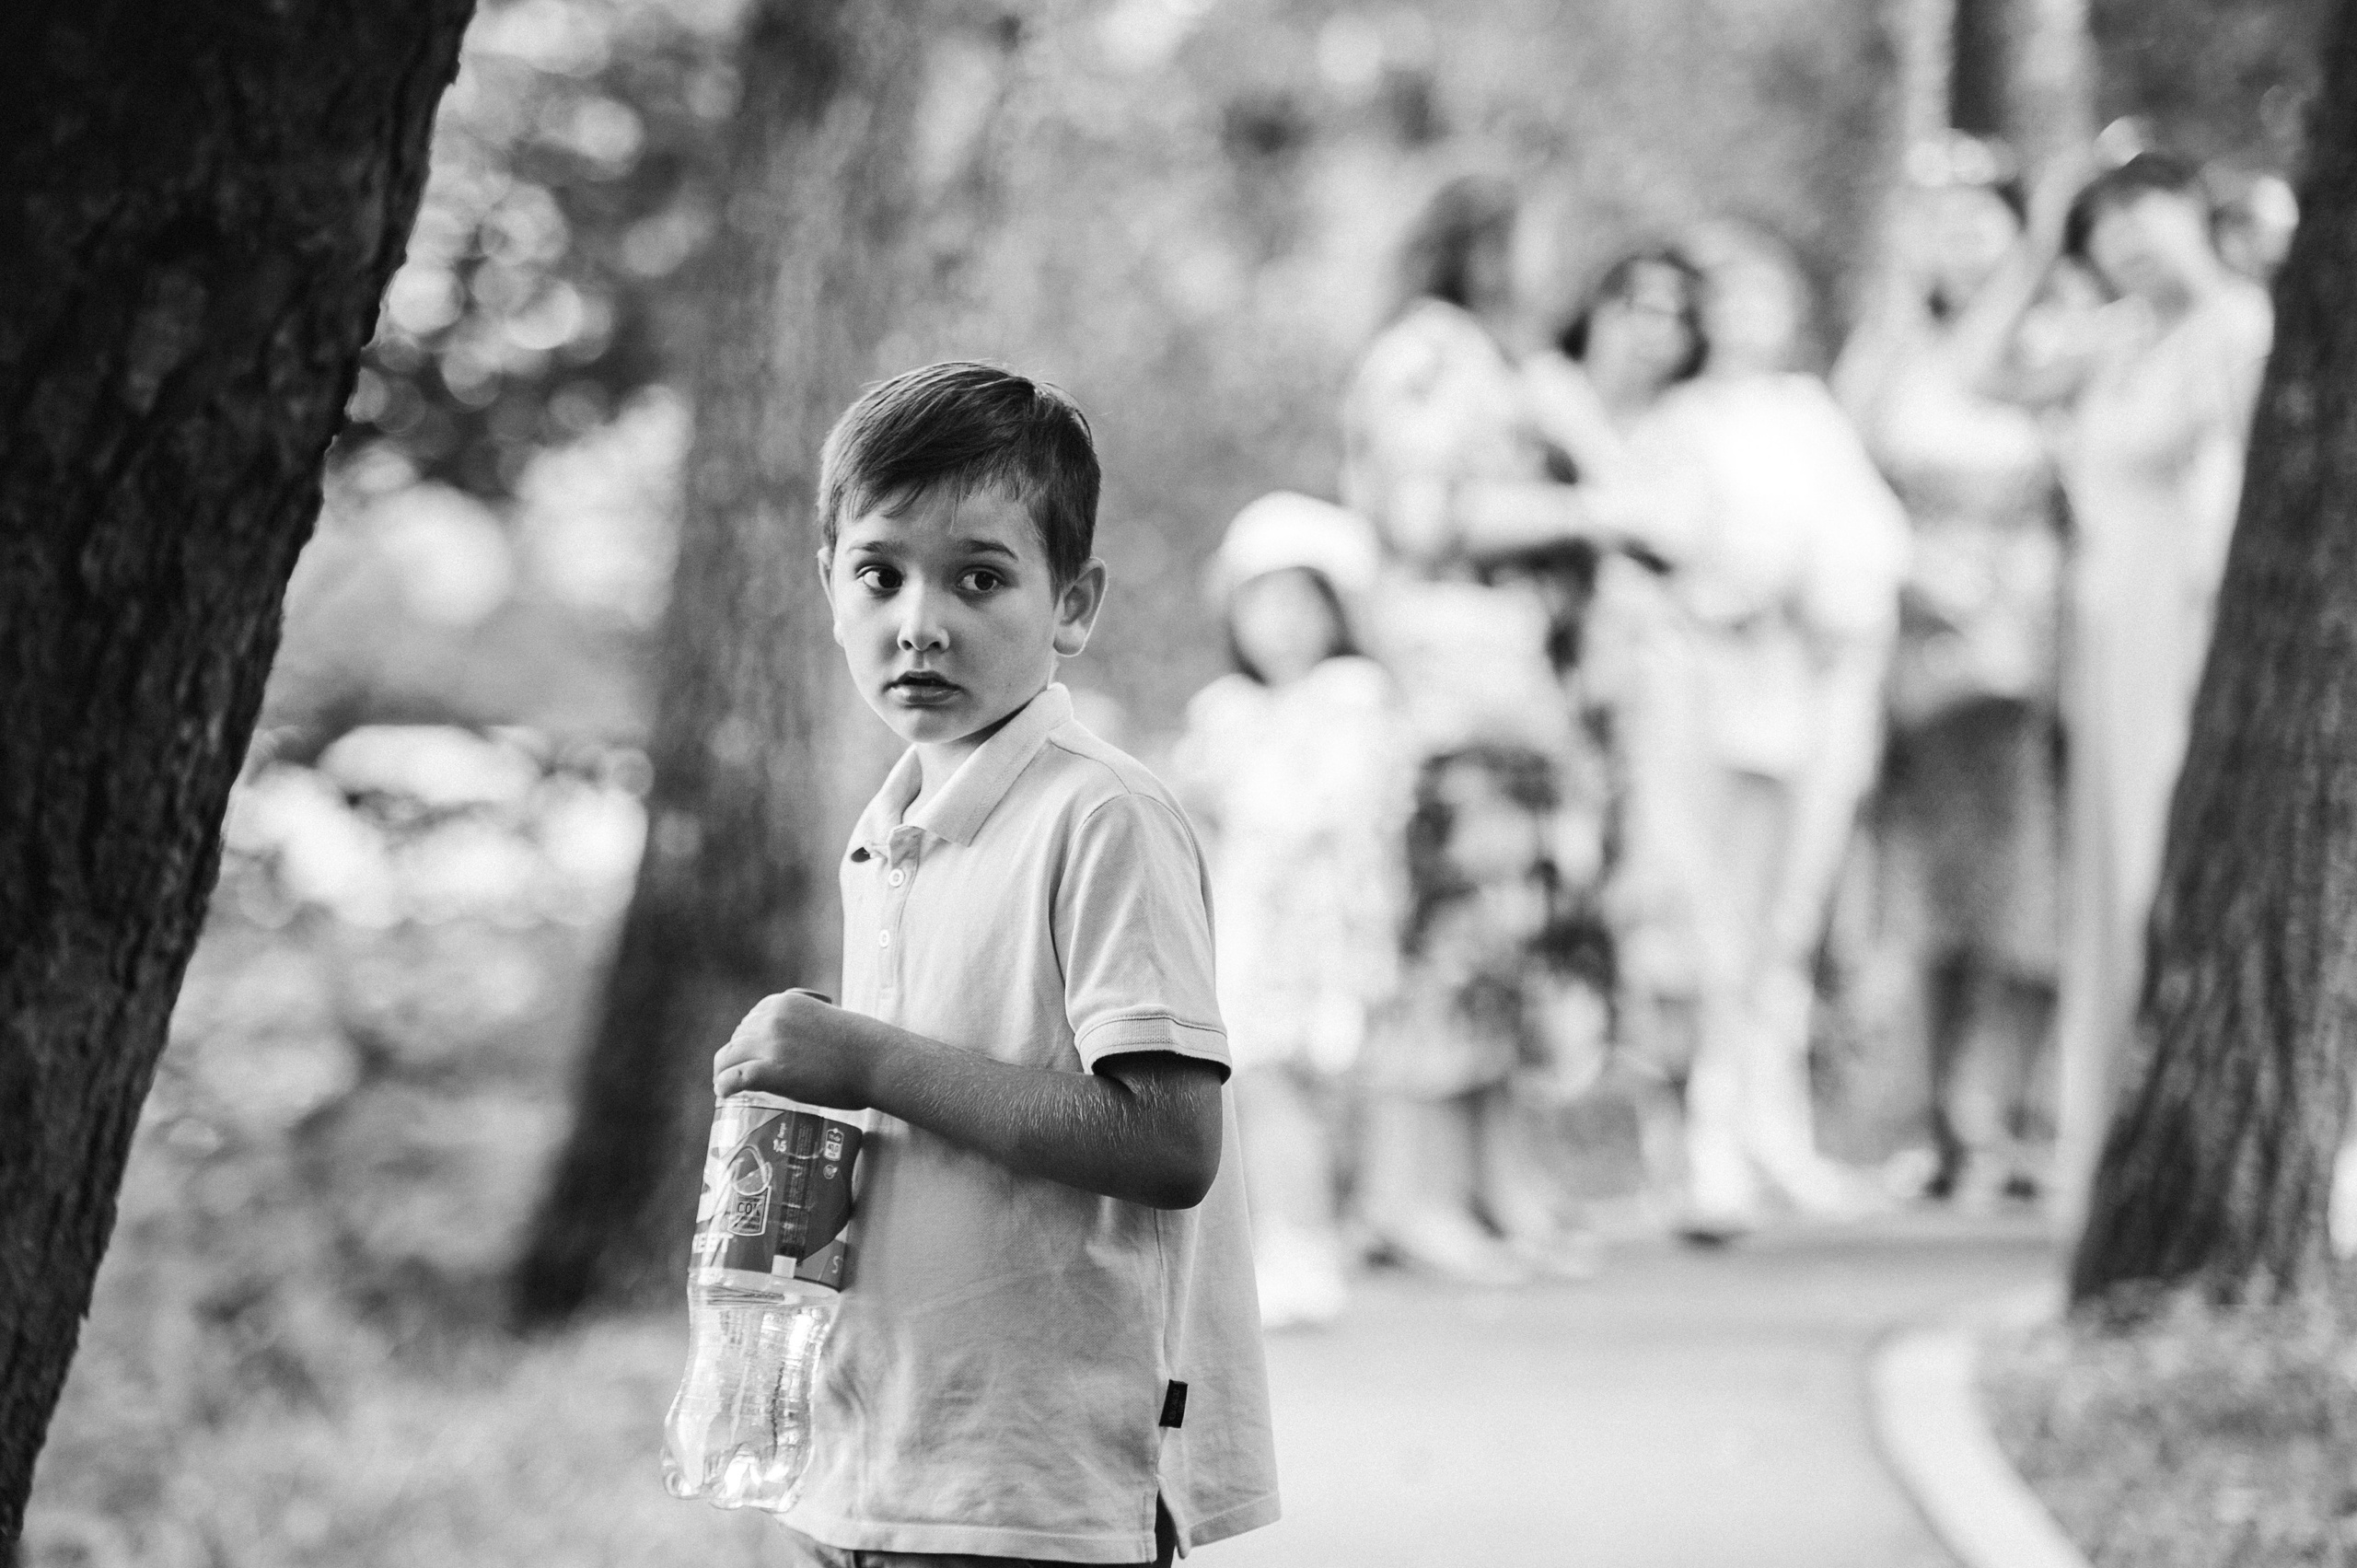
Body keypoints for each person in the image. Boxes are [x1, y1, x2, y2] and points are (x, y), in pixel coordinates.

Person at [713, 362, 1278, 1566]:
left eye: (980, 576)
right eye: (880, 573)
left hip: (1040, 1481)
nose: (921, 619)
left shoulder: (1102, 814)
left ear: (1071, 603)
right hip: (884, 1455)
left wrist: (866, 1054)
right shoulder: (891, 824)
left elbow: (1170, 1143)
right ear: (828, 587)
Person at [1340, 176, 1670, 1283]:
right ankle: (1407, 1194)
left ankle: (1494, 1181)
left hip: (1518, 690)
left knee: (1509, 935)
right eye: (1530, 234)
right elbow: (1420, 517)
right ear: (1480, 245)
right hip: (1452, 686)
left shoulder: (1499, 358)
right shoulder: (1425, 355)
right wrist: (1586, 515)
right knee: (1446, 935)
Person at [1554, 237, 1907, 1239]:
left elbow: (1869, 540)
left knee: (1785, 919)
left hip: (1809, 691)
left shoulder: (1810, 415)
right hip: (1704, 700)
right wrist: (1727, 596)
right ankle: (1706, 1141)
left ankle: (1776, 1128)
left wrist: (1821, 594)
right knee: (1707, 920)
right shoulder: (1675, 424)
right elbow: (1650, 557)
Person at [1956, 152, 2272, 1219]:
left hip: (2187, 630)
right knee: (2111, 885)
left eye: (2146, 210)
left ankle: (2209, 1147)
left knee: (2167, 873)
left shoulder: (2241, 329)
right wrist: (2037, 244)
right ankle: (2119, 1145)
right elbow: (1976, 373)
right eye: (2106, 224)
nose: (2127, 237)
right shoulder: (2117, 339)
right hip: (2108, 640)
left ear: (2195, 212)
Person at [1834, 134, 2065, 1207]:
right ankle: (1926, 1116)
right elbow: (1847, 482)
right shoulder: (1888, 352)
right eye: (1945, 223)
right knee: (1925, 888)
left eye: (1986, 222)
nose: (1963, 242)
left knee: (2027, 886)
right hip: (1919, 640)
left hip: (2034, 639)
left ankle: (2010, 1108)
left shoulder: (2057, 342)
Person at [1170, 492, 1403, 1330]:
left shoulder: (1353, 697)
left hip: (1325, 926)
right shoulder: (1225, 710)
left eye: (1305, 603)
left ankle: (1314, 1238)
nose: (1284, 625)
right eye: (1263, 603)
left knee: (1315, 1084)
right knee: (1263, 1084)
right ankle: (1293, 1242)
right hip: (1251, 931)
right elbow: (1194, 810)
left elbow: (1331, 807)